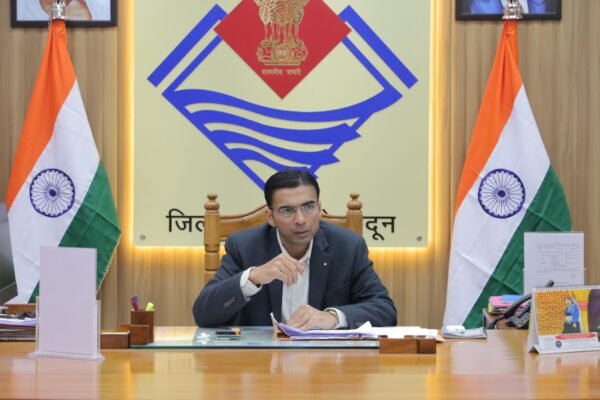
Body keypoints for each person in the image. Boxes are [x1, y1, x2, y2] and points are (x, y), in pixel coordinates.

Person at [193, 169, 397, 330]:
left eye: (308, 207)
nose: (300, 220)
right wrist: (253, 277)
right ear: (270, 217)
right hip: (261, 363)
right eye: (287, 210)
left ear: (319, 208)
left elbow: (385, 310)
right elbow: (203, 314)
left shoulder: (348, 247)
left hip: (327, 364)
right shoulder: (244, 246)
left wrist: (333, 317)